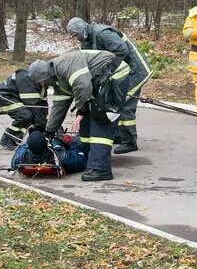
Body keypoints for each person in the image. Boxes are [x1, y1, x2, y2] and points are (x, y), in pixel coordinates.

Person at [28, 49, 131, 182]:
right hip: (96, 82)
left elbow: (83, 86)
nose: (43, 86)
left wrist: (81, 111)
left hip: (114, 75)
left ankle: (102, 169)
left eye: (42, 82)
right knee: (86, 121)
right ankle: (87, 157)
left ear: (44, 77)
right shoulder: (57, 79)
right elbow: (59, 106)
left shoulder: (65, 66)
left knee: (100, 119)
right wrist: (49, 131)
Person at [66, 17, 153, 154]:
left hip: (135, 71)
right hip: (121, 73)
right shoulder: (87, 41)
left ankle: (129, 141)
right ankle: (119, 135)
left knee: (123, 103)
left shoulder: (102, 33)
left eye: (75, 34)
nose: (76, 38)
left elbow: (121, 51)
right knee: (113, 101)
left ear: (81, 29)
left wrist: (106, 71)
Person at [0, 68, 48, 150]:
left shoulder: (39, 81)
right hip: (4, 96)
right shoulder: (27, 80)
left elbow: (42, 106)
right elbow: (33, 107)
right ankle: (8, 139)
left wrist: (46, 124)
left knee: (35, 116)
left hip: (14, 96)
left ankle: (34, 135)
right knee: (25, 115)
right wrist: (41, 127)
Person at [10, 130, 87, 175]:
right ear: (47, 144)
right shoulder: (62, 158)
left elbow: (13, 165)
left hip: (44, 151)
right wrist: (71, 143)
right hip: (57, 150)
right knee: (81, 140)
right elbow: (82, 159)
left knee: (55, 142)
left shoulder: (20, 158)